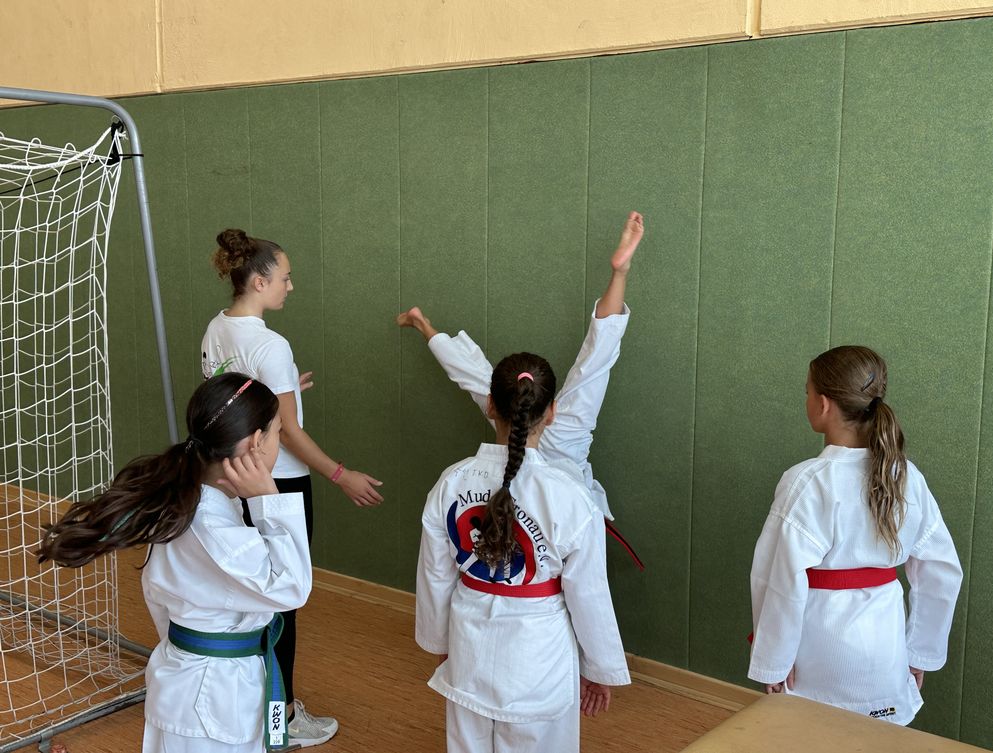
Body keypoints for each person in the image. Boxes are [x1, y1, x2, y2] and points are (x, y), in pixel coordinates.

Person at [38, 373, 311, 752]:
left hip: (194, 684)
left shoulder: (190, 504)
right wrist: (269, 498)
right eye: (278, 432)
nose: (279, 442)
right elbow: (292, 588)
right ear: (255, 443)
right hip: (209, 700)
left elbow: (163, 601)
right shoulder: (212, 526)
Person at [203, 229, 383, 746]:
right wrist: (341, 475)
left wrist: (282, 392)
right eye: (284, 277)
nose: (290, 286)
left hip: (232, 478)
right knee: (283, 599)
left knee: (247, 592)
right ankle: (280, 720)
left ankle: (251, 704)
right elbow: (291, 434)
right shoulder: (271, 345)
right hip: (276, 483)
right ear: (259, 281)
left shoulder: (216, 328)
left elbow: (228, 398)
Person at [398, 212, 644, 565]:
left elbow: (466, 369)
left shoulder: (460, 478)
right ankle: (619, 274)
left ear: (492, 405)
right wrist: (619, 273)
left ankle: (422, 322)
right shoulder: (568, 431)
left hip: (500, 568)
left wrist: (424, 327)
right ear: (552, 410)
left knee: (474, 374)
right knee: (594, 361)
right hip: (565, 546)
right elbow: (600, 352)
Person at [415, 352, 631, 753]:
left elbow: (435, 575)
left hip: (468, 643)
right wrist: (598, 668)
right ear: (551, 413)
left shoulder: (452, 482)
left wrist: (441, 644)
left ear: (490, 405)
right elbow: (589, 594)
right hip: (537, 656)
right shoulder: (569, 497)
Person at [748, 346, 963, 725]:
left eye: (807, 392)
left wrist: (775, 660)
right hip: (885, 643)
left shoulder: (806, 482)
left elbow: (779, 579)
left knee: (813, 734)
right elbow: (941, 569)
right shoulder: (907, 477)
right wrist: (919, 653)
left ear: (823, 404)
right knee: (879, 736)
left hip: (821, 648)